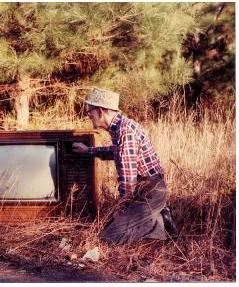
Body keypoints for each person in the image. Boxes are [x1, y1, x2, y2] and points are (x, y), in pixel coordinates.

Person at [72, 88, 177, 244]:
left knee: (108, 237)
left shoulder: (125, 132)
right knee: (112, 228)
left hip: (150, 192)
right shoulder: (119, 128)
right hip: (144, 190)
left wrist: (120, 208)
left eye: (90, 113)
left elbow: (128, 182)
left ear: (100, 112)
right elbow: (115, 152)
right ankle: (156, 218)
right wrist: (88, 150)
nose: (89, 117)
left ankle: (160, 220)